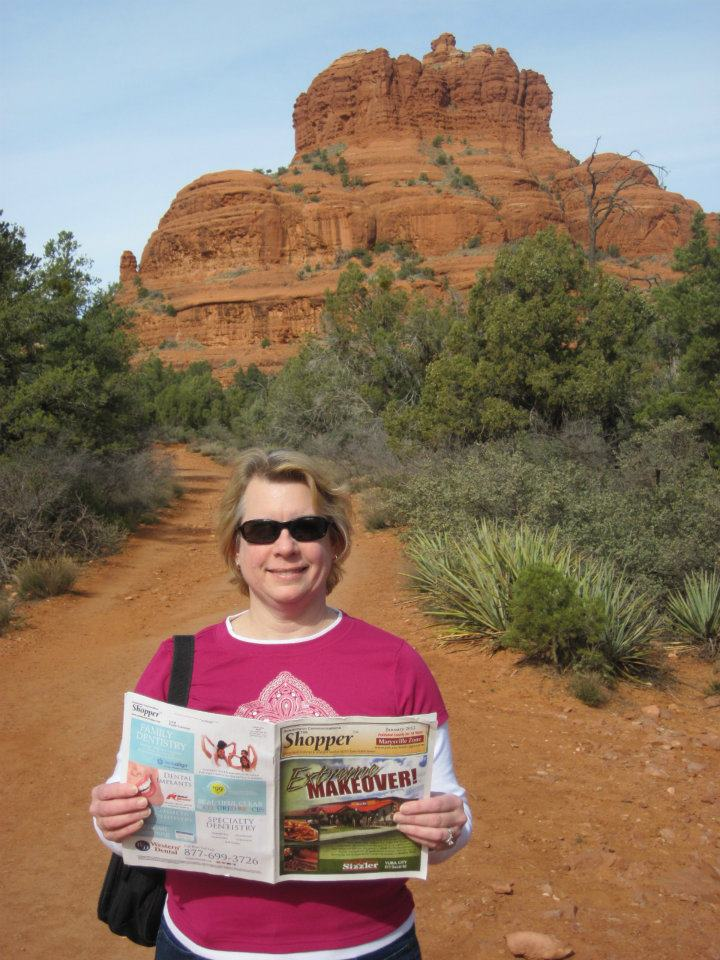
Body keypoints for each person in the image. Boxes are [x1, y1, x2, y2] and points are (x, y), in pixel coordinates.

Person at [90, 448, 471, 960]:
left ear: (333, 544)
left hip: (369, 946)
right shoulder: (178, 661)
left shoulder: (396, 662)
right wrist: (111, 821)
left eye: (307, 528)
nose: (285, 547)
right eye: (262, 530)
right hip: (203, 948)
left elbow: (452, 812)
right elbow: (125, 814)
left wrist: (447, 828)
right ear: (235, 547)